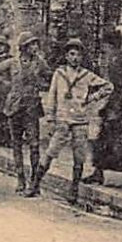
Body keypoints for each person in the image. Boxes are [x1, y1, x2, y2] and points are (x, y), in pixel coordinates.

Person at [30, 39, 112, 203]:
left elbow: (108, 86)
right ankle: (35, 184)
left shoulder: (87, 75)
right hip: (62, 119)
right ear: (66, 56)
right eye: (72, 54)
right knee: (51, 151)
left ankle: (73, 191)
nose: (75, 58)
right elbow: (52, 95)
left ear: (82, 57)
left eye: (78, 55)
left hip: (80, 120)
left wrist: (91, 98)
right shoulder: (59, 74)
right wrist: (50, 117)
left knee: (79, 156)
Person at [0, 33, 49, 195]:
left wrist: (39, 86)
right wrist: (5, 86)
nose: (34, 48)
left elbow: (49, 77)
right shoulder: (12, 62)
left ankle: (34, 183)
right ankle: (20, 178)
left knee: (34, 145)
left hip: (32, 109)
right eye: (31, 45)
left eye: (36, 44)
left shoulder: (39, 63)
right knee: (16, 144)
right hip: (14, 108)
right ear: (23, 47)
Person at [89, 32, 122, 186]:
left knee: (113, 142)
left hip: (119, 108)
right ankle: (98, 172)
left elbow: (120, 87)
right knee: (107, 141)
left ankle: (99, 173)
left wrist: (113, 108)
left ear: (110, 45)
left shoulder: (116, 61)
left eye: (105, 47)